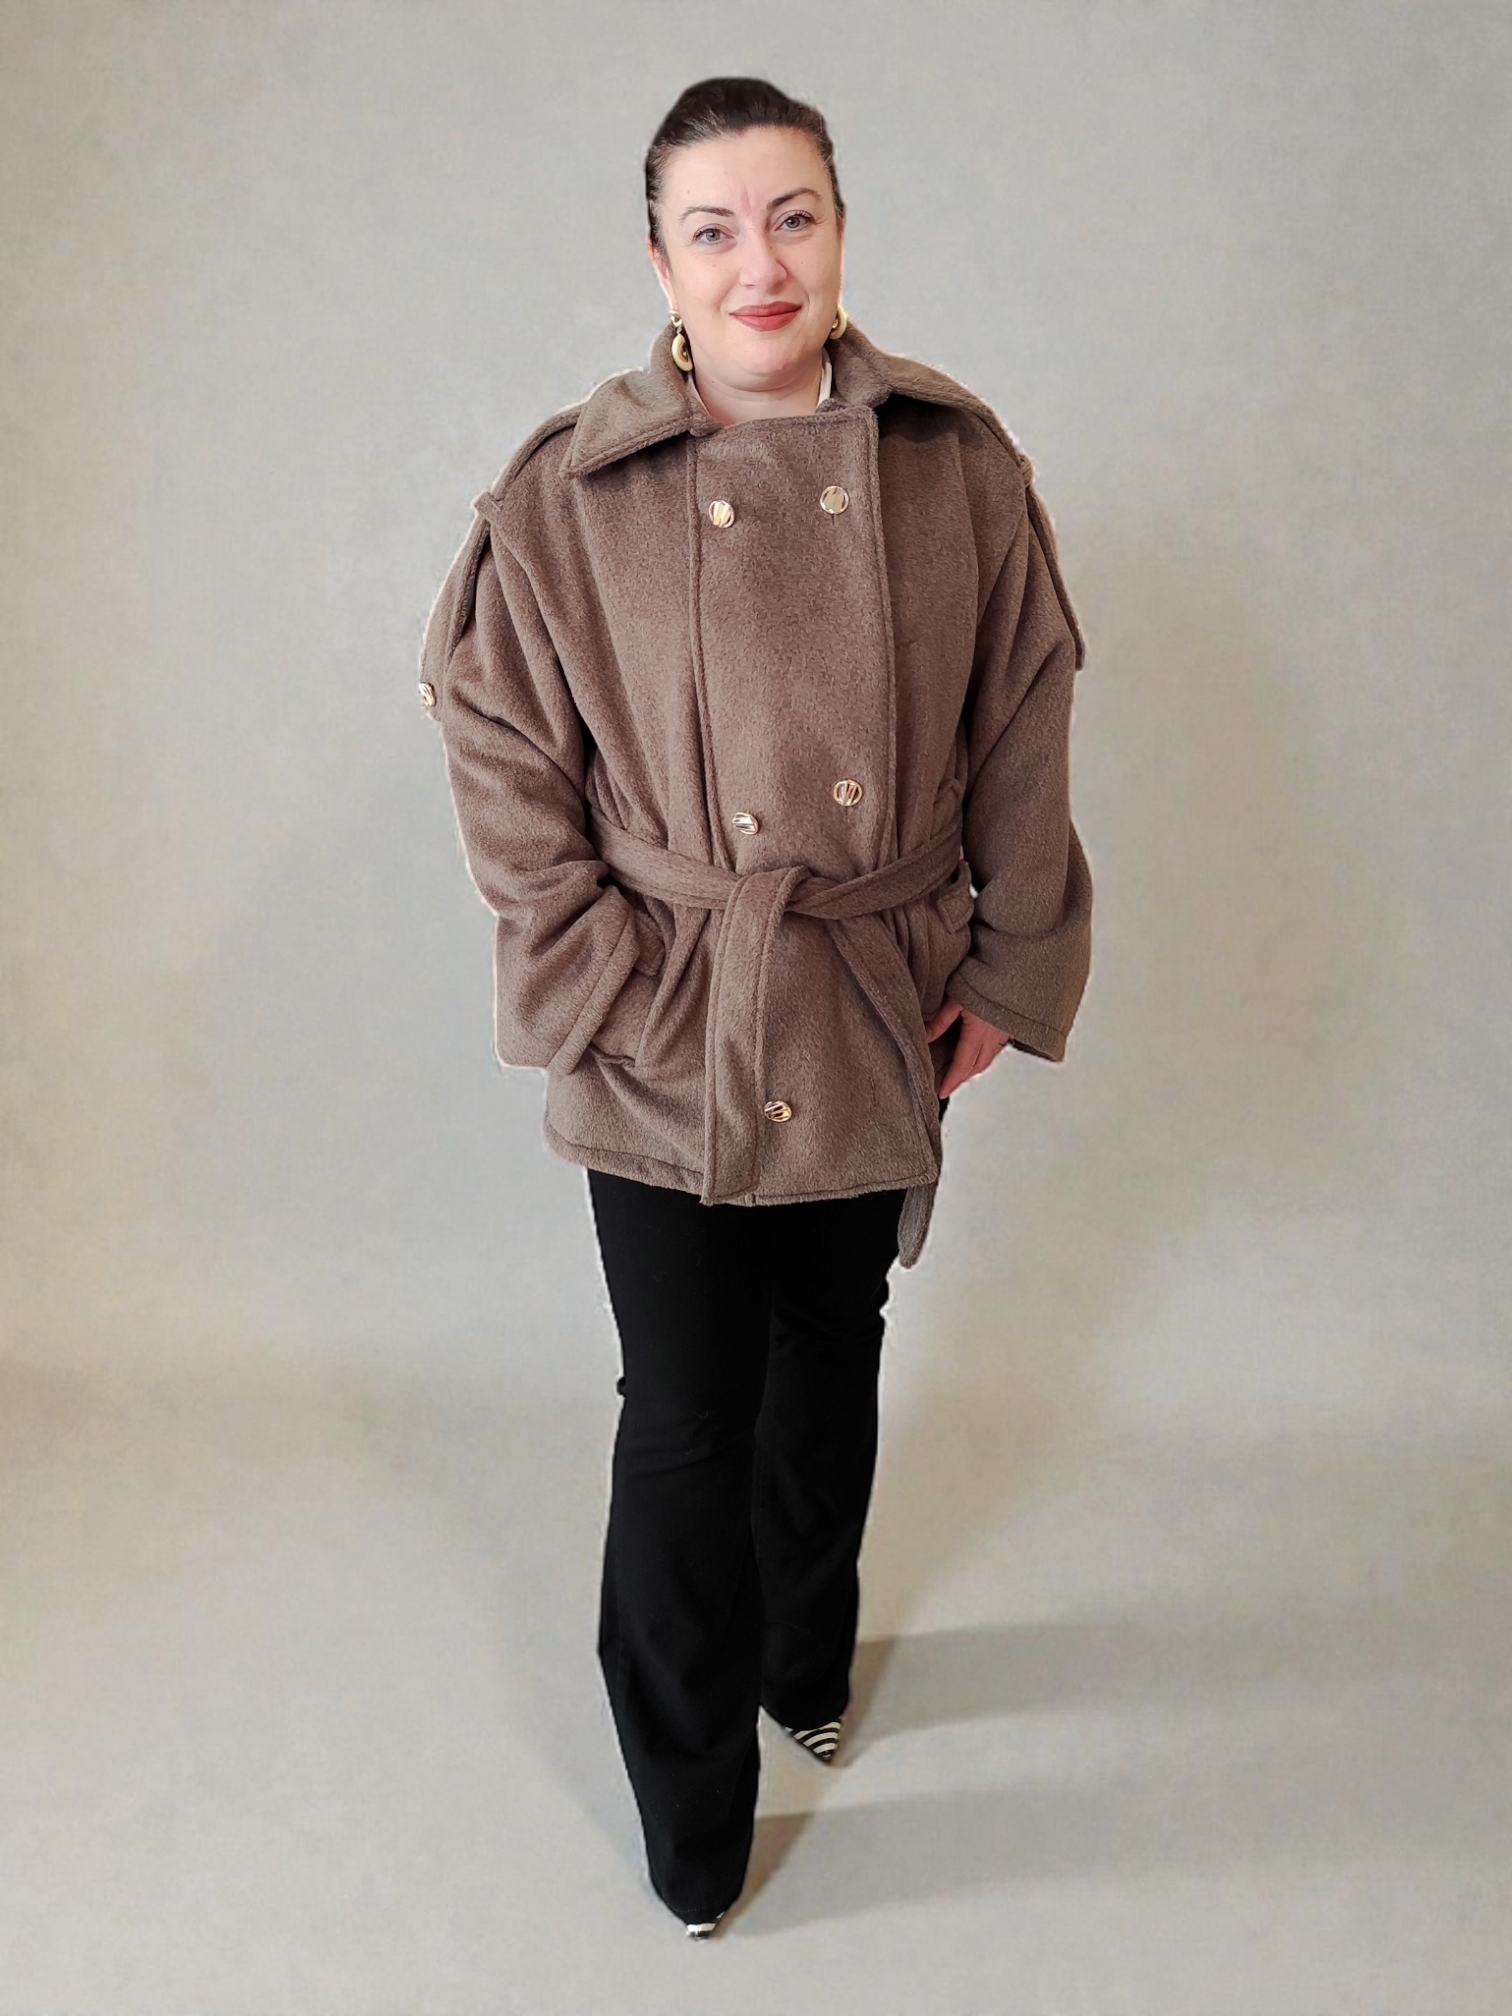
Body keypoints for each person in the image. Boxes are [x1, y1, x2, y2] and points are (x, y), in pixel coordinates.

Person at [418, 75, 1092, 1937]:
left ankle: (808, 1657)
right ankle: (691, 1810)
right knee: (685, 1409)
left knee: (833, 1344)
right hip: (670, 1027)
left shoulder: (956, 467)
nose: (759, 262)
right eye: (712, 228)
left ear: (841, 230)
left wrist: (1005, 964)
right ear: (660, 261)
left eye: (793, 215)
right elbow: (497, 739)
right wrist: (603, 977)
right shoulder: (569, 494)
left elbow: (1025, 712)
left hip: (873, 993)